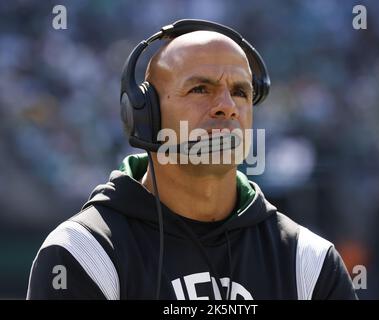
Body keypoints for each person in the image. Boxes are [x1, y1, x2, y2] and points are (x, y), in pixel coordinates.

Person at [26, 20, 357, 300]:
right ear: (146, 115)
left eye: (241, 92)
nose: (227, 106)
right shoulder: (82, 255)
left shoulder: (311, 263)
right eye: (201, 89)